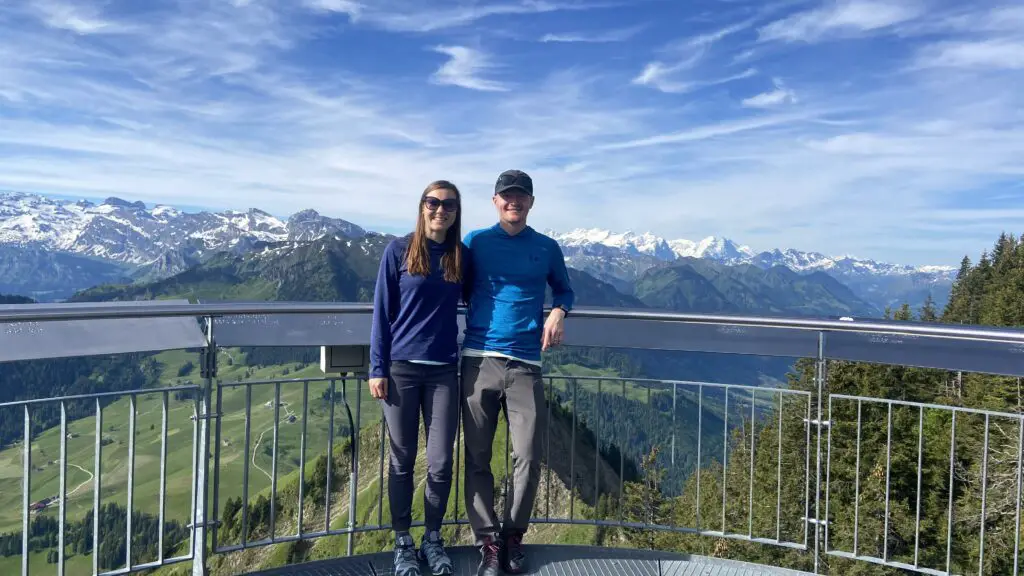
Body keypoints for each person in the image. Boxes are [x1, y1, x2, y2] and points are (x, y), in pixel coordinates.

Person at [460, 169, 574, 576]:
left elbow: (565, 289)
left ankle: (513, 536)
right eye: (507, 196)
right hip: (477, 359)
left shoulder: (546, 247)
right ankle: (488, 542)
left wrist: (559, 311)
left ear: (531, 202)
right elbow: (448, 287)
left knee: (527, 455)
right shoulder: (474, 242)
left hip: (526, 363)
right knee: (477, 456)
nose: (514, 202)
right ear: (495, 201)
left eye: (521, 196)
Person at [369, 180, 466, 576]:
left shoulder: (462, 256)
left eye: (448, 204)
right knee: (402, 459)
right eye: (433, 202)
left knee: (441, 461)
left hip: (444, 370)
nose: (440, 209)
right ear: (421, 206)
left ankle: (432, 537)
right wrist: (377, 367)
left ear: (457, 212)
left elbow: (488, 296)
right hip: (401, 369)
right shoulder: (398, 251)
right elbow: (381, 310)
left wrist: (556, 309)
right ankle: (403, 541)